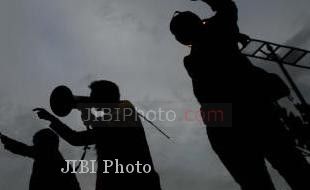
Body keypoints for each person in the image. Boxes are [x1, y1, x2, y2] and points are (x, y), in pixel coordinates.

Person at [170, 0, 310, 189]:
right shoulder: (215, 37)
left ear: (181, 38)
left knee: (261, 180)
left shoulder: (195, 58)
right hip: (250, 114)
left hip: (225, 123)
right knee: (294, 169)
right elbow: (226, 7)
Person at [33, 80, 162, 190]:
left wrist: (82, 107)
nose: (93, 101)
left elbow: (102, 128)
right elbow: (76, 139)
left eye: (94, 97)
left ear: (105, 97)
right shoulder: (110, 120)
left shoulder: (125, 108)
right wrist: (52, 119)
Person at [0, 129, 81, 190]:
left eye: (36, 142)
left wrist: (4, 138)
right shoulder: (64, 164)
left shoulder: (45, 152)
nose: (35, 145)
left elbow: (23, 149)